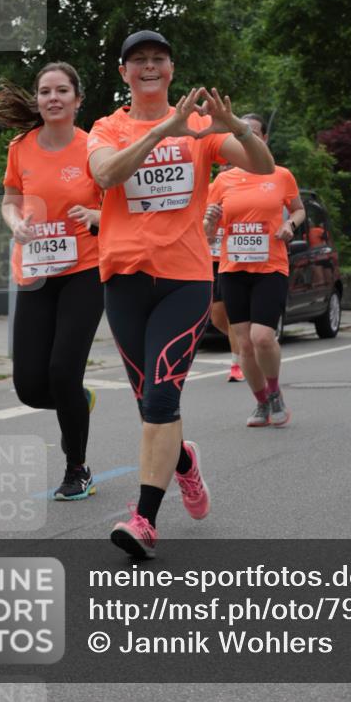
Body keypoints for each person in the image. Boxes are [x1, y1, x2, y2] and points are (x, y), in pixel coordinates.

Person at [87, 30, 274, 558]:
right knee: (151, 404)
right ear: (124, 72)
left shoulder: (199, 127)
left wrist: (236, 127)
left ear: (170, 69)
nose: (149, 67)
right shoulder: (107, 127)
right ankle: (184, 463)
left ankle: (144, 519)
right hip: (123, 279)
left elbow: (260, 164)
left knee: (163, 398)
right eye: (139, 60)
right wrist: (163, 129)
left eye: (159, 60)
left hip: (185, 278)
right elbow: (106, 173)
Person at [0, 63, 104, 501]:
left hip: (85, 270)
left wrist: (98, 217)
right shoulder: (20, 147)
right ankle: (80, 400)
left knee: (62, 371)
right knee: (29, 386)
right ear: (38, 100)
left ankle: (76, 468)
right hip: (37, 273)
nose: (53, 98)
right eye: (45, 91)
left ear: (78, 100)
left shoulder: (95, 147)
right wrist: (15, 222)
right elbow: (9, 201)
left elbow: (120, 205)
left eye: (62, 90)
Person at [205, 114, 305, 428]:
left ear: (263, 139)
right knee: (244, 342)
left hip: (270, 266)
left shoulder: (280, 174)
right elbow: (208, 233)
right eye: (237, 135)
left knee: (262, 337)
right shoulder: (221, 181)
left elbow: (299, 209)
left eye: (252, 133)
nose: (245, 139)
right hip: (233, 268)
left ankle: (275, 393)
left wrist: (290, 223)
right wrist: (208, 221)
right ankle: (261, 402)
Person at [204, 166, 244, 382]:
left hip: (229, 260)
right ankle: (245, 346)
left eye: (230, 165)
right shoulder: (206, 191)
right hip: (209, 260)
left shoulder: (240, 193)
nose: (224, 169)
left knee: (231, 315)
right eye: (221, 165)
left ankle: (237, 364)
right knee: (217, 315)